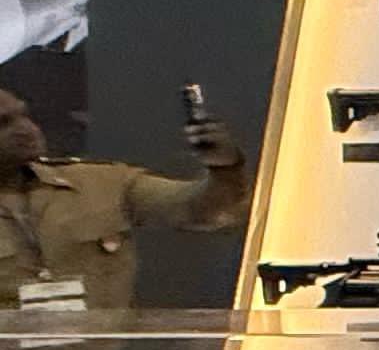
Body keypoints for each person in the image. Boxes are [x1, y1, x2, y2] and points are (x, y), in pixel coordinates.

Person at [0, 84, 245, 310]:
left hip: (107, 343)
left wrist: (224, 167)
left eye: (24, 116)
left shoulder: (101, 183)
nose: (26, 130)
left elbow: (202, 211)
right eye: (4, 123)